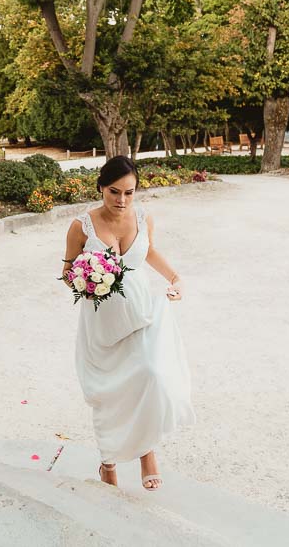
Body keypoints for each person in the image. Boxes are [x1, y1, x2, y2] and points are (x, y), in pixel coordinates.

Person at [62, 156, 195, 491]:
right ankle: (108, 460)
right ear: (100, 188)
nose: (121, 200)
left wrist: (176, 277)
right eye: (114, 192)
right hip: (102, 322)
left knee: (150, 374)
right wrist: (86, 283)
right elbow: (67, 271)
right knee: (110, 392)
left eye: (129, 193)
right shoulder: (82, 226)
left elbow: (148, 252)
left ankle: (147, 450)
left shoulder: (142, 217)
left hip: (140, 312)